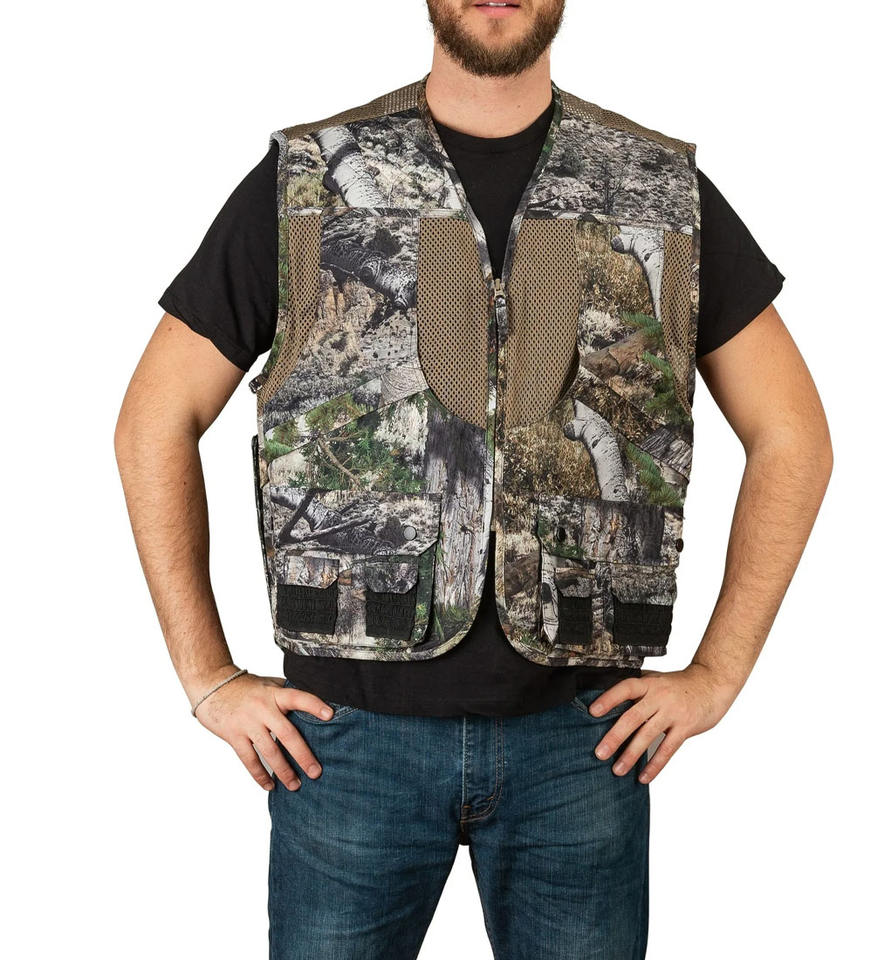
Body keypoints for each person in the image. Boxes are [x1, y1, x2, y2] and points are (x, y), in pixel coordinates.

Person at [115, 1, 832, 956]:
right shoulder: (308, 179)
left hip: (582, 740)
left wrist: (718, 675)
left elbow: (793, 438)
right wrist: (207, 678)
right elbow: (154, 420)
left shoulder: (656, 189)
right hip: (346, 743)